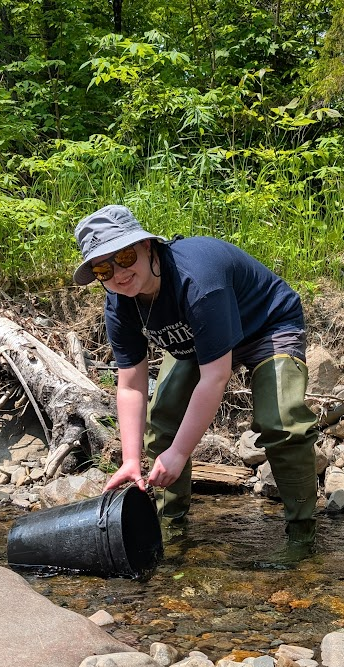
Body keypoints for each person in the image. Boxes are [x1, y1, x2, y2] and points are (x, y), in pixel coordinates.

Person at [73, 204, 318, 557]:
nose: (118, 274)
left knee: (281, 422)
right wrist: (130, 459)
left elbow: (215, 378)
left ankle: (302, 534)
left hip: (267, 325)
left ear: (147, 247)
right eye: (103, 268)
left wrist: (181, 453)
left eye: (124, 256)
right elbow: (130, 385)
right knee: (164, 416)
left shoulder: (196, 281)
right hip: (197, 338)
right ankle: (171, 526)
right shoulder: (119, 301)